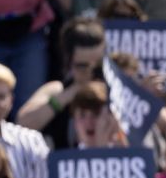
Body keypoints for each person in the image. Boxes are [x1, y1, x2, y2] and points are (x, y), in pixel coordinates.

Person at [16, 17, 106, 150]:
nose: (91, 73)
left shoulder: (117, 90)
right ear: (68, 63)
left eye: (98, 65)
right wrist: (72, 92)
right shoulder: (58, 90)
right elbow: (22, 125)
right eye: (82, 66)